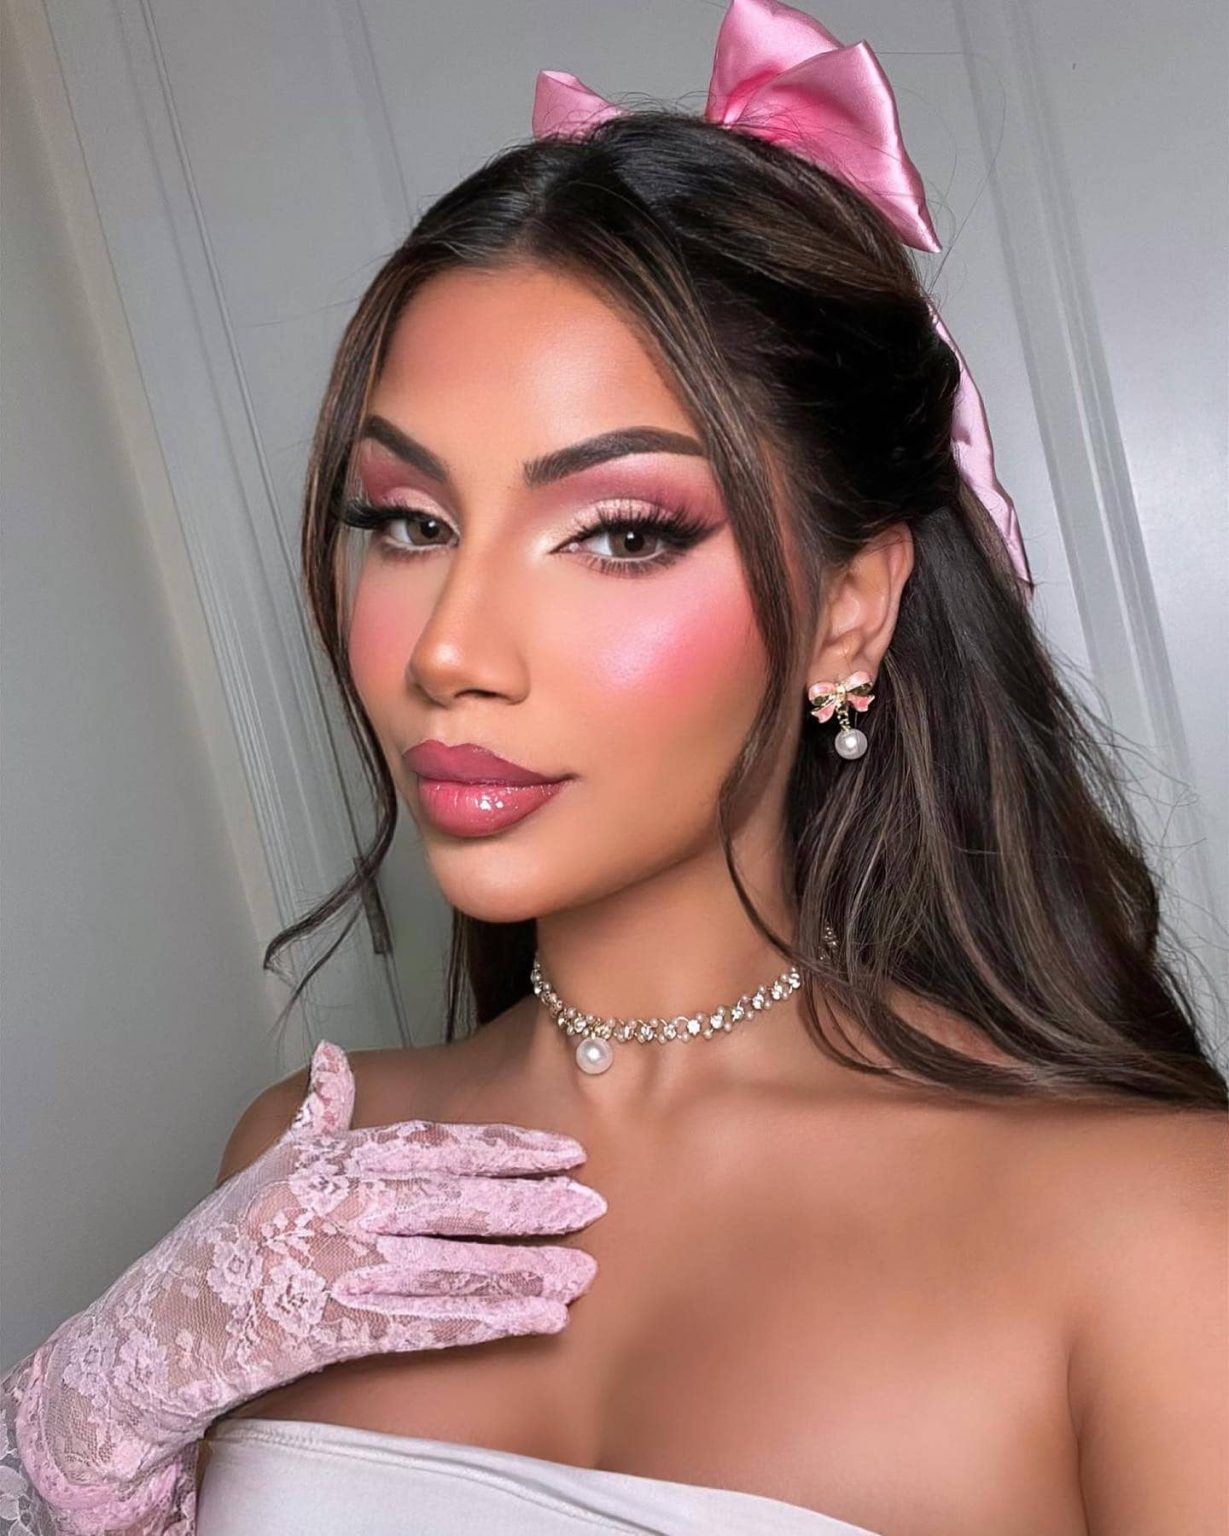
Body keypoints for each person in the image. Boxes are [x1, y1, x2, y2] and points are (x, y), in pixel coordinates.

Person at [3, 2, 1225, 1533]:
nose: (450, 648)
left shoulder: (1156, 1237)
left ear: (849, 610)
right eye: (409, 522)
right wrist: (88, 1429)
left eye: (620, 534)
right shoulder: (306, 1166)